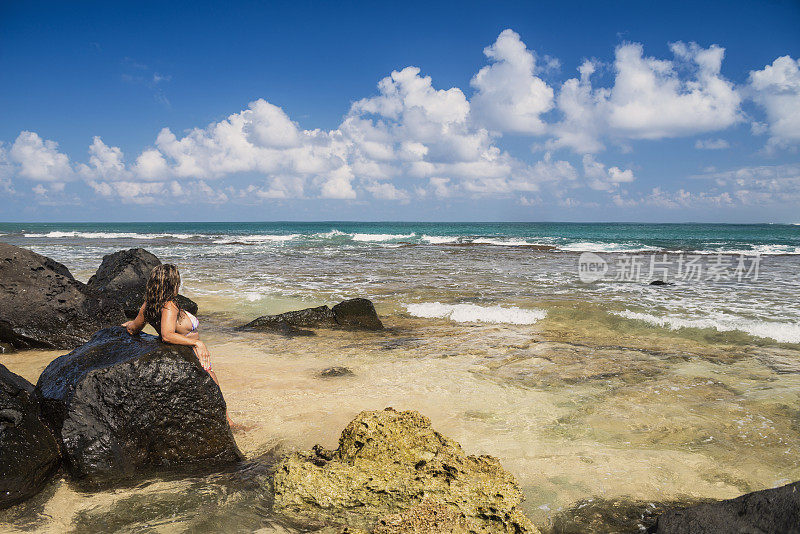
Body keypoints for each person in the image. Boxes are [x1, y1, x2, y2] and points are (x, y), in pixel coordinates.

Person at [122, 264, 235, 428]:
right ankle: (229, 423)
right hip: (189, 352)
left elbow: (134, 328)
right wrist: (197, 342)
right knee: (213, 388)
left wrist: (125, 326)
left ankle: (226, 421)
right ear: (172, 284)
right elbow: (167, 334)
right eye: (177, 281)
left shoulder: (149, 305)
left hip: (180, 351)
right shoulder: (169, 305)